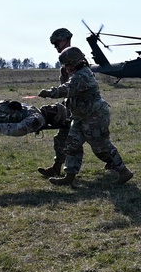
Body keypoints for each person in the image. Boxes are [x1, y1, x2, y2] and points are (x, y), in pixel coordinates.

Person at [38, 46, 133, 186]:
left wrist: (49, 93)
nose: (66, 68)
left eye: (68, 64)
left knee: (102, 147)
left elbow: (67, 88)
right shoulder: (78, 73)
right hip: (80, 117)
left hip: (95, 116)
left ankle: (124, 172)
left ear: (76, 63)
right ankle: (69, 177)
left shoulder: (82, 75)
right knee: (72, 145)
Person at [36, 28, 75, 178]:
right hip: (73, 108)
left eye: (57, 43)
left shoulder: (76, 61)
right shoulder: (66, 63)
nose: (56, 47)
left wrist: (51, 93)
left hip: (85, 109)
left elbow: (71, 87)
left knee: (98, 142)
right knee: (62, 138)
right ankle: (57, 168)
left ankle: (117, 165)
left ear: (65, 40)